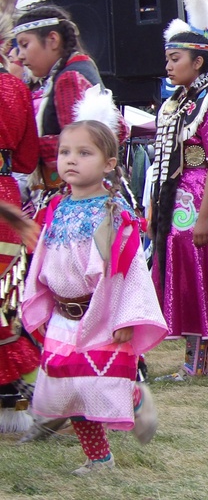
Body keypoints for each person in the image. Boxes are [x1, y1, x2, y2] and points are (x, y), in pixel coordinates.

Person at [21, 119, 167, 474]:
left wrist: (126, 319)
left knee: (97, 384)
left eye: (84, 153)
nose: (71, 160)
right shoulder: (57, 208)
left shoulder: (114, 214)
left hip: (101, 314)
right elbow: (44, 257)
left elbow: (130, 273)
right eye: (65, 152)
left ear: (109, 163)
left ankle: (134, 400)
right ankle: (98, 458)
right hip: (63, 315)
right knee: (70, 389)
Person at [149, 0, 208, 380]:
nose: (168, 66)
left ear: (198, 62)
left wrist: (205, 214)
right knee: (182, 265)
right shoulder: (175, 103)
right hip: (176, 194)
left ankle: (196, 361)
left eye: (175, 59)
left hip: (202, 196)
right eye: (167, 59)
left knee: (195, 265)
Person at [14, 7, 127, 209]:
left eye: (25, 45)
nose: (20, 56)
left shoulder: (69, 78)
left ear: (53, 40)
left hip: (75, 197)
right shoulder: (78, 69)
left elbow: (81, 144)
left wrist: (26, 146)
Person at [0, 45, 41, 432]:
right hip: (5, 201)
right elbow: (27, 160)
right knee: (5, 304)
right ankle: (22, 401)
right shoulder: (13, 87)